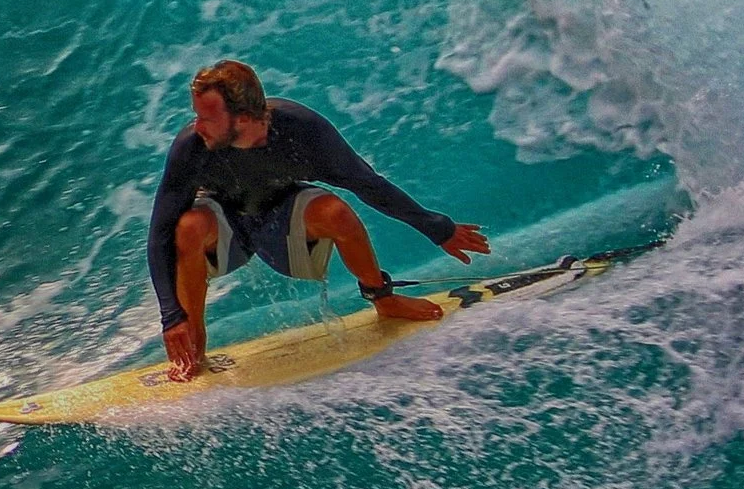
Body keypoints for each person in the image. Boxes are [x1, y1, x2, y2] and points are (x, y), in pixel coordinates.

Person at [149, 59, 490, 382]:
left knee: (336, 212)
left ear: (241, 119)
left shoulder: (300, 131)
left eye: (206, 118)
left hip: (283, 221)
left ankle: (383, 299)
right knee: (187, 227)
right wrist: (171, 316)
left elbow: (366, 183)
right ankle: (191, 346)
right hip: (226, 226)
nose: (196, 127)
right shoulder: (192, 148)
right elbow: (160, 234)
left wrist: (438, 228)